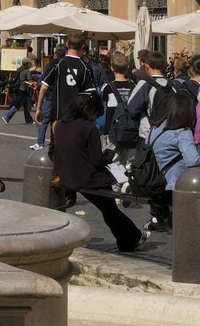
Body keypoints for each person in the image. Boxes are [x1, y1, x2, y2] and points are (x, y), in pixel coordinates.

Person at [50, 91, 144, 252]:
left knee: (108, 207)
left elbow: (52, 153)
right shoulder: (88, 128)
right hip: (86, 178)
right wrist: (111, 153)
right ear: (90, 111)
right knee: (109, 208)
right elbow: (96, 160)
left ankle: (133, 236)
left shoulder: (58, 124)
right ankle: (129, 240)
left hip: (66, 176)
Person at [146, 84, 200, 232]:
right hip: (173, 188)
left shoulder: (155, 128)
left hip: (154, 185)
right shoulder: (182, 132)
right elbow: (193, 160)